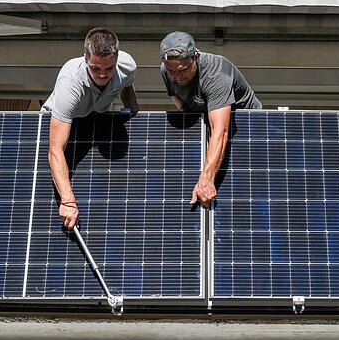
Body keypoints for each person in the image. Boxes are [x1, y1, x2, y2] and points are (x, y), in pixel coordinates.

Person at [43, 27, 138, 229]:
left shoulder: (127, 66)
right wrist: (68, 201)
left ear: (117, 59)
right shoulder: (70, 84)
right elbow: (55, 150)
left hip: (94, 117)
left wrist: (133, 113)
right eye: (95, 68)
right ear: (85, 58)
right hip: (64, 123)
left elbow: (127, 86)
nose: (102, 74)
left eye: (108, 69)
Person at [159, 31, 261, 210]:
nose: (177, 76)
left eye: (183, 70)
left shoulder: (216, 74)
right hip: (207, 119)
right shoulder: (166, 71)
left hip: (246, 128)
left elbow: (221, 132)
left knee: (238, 190)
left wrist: (206, 179)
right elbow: (175, 95)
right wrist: (188, 117)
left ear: (195, 58)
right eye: (172, 71)